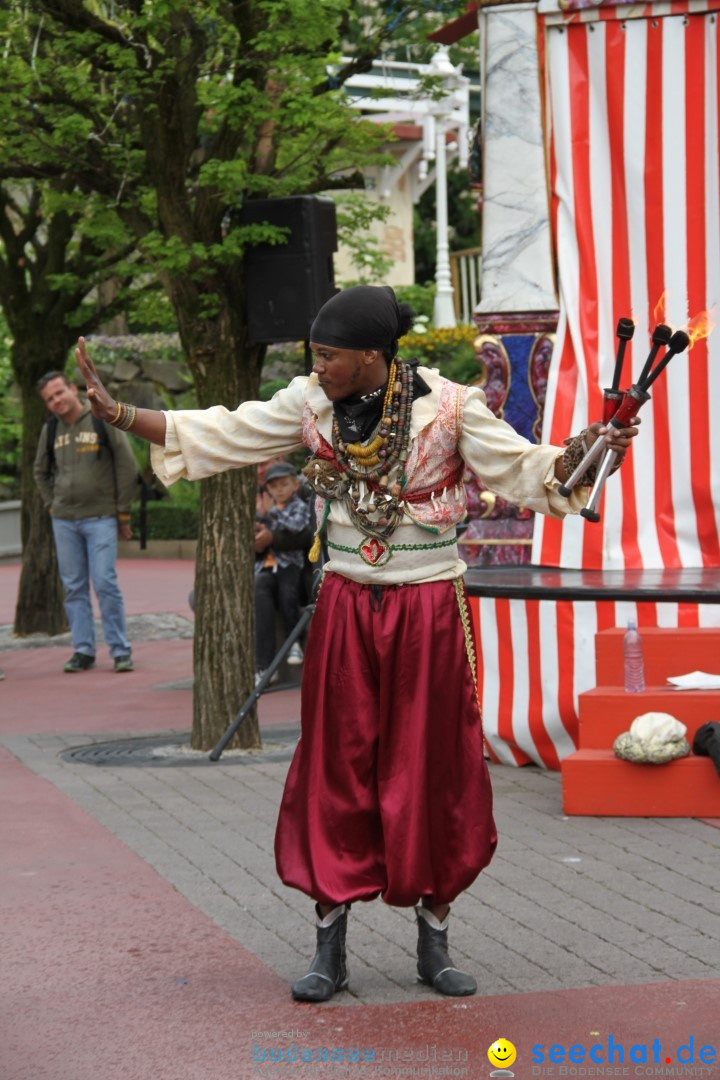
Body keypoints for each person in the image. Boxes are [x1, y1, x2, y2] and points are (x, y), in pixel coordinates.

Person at [73, 285, 638, 1001]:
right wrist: (122, 414)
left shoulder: (455, 408)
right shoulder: (310, 406)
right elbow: (222, 430)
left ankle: (434, 936)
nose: (318, 367)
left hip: (430, 607)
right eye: (316, 354)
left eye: (329, 355)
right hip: (345, 604)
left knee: (433, 766)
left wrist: (595, 450)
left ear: (372, 357)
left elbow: (532, 473)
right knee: (335, 766)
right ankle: (329, 943)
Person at [33, 371, 137, 673]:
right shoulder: (51, 429)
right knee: (74, 587)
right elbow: (40, 471)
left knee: (105, 582)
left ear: (72, 389)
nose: (56, 401)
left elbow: (127, 466)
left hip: (101, 517)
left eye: (59, 393)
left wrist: (123, 513)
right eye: (49, 399)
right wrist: (52, 505)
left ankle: (120, 650)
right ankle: (83, 650)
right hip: (64, 521)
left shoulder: (101, 419)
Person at [255, 461, 312, 681]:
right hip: (268, 565)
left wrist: (270, 523)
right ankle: (264, 666)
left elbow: (300, 529)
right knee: (259, 584)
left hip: (292, 567)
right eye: (274, 486)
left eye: (283, 484)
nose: (279, 490)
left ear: (294, 485)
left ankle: (293, 642)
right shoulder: (265, 505)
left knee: (287, 593)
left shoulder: (299, 504)